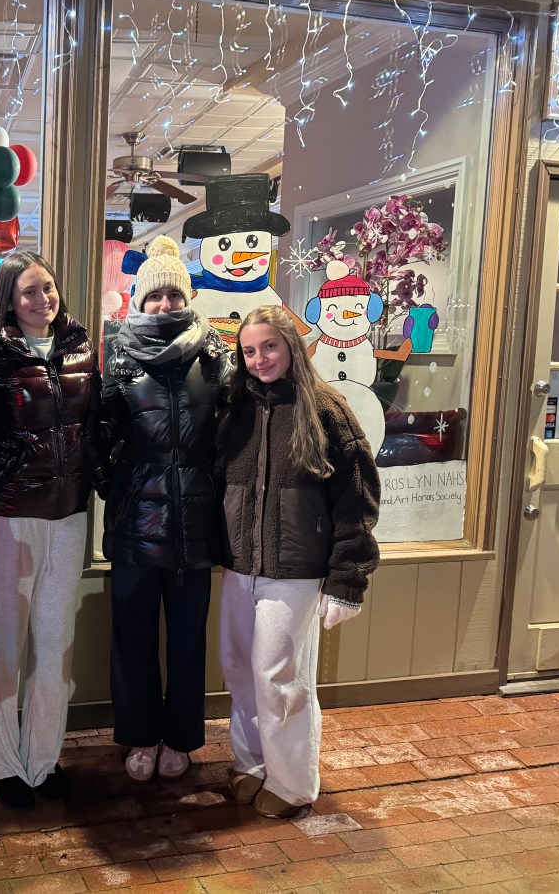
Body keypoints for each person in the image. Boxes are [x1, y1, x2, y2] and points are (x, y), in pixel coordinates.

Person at [216, 304, 380, 819]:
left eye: (269, 347)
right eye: (249, 350)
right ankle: (253, 764)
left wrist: (347, 579)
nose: (260, 358)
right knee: (241, 670)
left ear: (291, 347)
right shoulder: (234, 406)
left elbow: (357, 497)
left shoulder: (327, 408)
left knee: (279, 676)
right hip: (241, 565)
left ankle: (292, 783)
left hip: (296, 570)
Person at [0, 252, 104, 810]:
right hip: (7, 518)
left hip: (68, 516)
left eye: (47, 287)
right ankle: (0, 762)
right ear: (7, 300)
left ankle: (44, 758)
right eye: (28, 292)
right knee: (0, 648)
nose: (42, 299)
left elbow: (96, 427)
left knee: (54, 647)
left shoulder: (83, 349)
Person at [101, 234, 227, 783]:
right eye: (155, 297)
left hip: (195, 524)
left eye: (174, 295)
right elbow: (99, 432)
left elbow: (230, 431)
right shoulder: (121, 356)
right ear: (138, 300)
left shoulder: (214, 354)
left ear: (187, 297)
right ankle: (138, 735)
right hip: (136, 524)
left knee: (187, 638)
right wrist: (117, 487)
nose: (166, 305)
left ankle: (181, 737)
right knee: (131, 638)